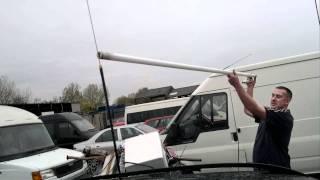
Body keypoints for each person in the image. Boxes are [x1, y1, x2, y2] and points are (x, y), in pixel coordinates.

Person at [227, 70, 293, 168]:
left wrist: (237, 85)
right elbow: (247, 110)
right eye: (273, 95)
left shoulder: (283, 116)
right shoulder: (270, 113)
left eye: (278, 97)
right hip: (263, 168)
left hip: (276, 170)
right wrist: (250, 87)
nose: (273, 99)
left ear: (286, 102)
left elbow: (253, 107)